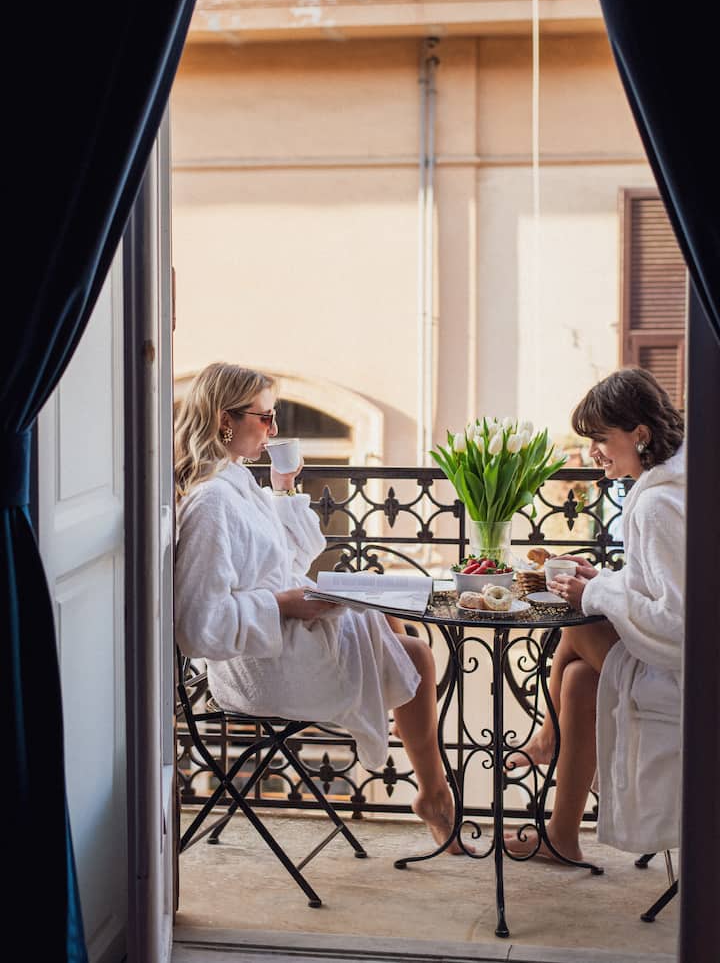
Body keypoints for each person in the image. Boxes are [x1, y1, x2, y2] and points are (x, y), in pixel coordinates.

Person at [174, 362, 463, 852]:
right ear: (225, 420)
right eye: (265, 418)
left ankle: (413, 739)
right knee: (415, 657)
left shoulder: (238, 483)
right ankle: (433, 794)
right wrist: (281, 606)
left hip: (280, 642)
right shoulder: (212, 504)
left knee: (381, 608)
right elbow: (200, 626)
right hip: (256, 665)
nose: (274, 430)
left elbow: (292, 557)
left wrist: (284, 487)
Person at [506, 367, 685, 861]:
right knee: (580, 680)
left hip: (686, 677)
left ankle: (547, 737)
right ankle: (562, 837)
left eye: (601, 439)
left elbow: (679, 623)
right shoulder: (671, 485)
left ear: (640, 434)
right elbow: (656, 586)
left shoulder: (658, 505)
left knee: (575, 619)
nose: (592, 454)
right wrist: (602, 579)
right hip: (676, 663)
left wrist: (596, 593)